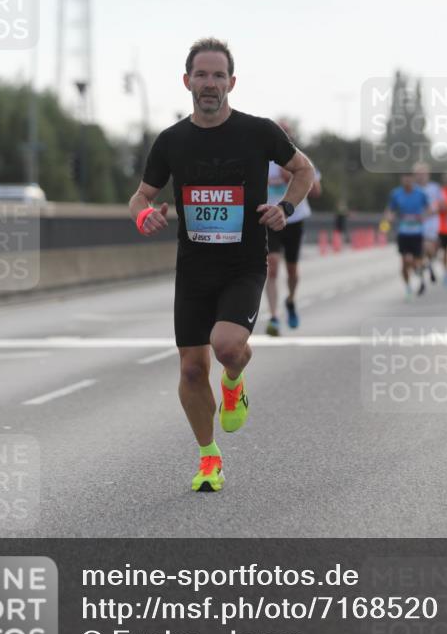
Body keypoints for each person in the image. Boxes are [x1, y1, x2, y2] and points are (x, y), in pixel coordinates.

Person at [128, 38, 315, 492]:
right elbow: (141, 195)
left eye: (218, 76)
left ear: (231, 82)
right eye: (201, 75)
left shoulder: (258, 131)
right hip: (193, 268)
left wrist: (285, 209)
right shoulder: (171, 141)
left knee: (227, 346)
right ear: (187, 80)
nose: (209, 84)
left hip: (243, 263)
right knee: (192, 369)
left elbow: (304, 170)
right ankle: (209, 458)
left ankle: (234, 380)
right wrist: (143, 214)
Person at [265, 124, 322, 336]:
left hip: (294, 218)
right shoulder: (263, 161)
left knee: (291, 270)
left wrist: (291, 177)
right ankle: (273, 317)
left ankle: (290, 300)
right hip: (270, 218)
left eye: (286, 135)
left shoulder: (299, 160)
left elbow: (316, 190)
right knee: (271, 266)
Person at [383, 172, 430, 299]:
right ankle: (408, 288)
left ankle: (420, 274)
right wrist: (389, 217)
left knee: (415, 262)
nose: (407, 181)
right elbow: (390, 209)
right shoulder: (396, 193)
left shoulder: (420, 193)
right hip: (403, 232)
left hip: (417, 232)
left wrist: (423, 217)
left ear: (413, 180)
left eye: (409, 179)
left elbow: (429, 209)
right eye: (405, 179)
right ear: (402, 180)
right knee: (404, 262)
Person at [413, 163, 442, 283]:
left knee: (429, 248)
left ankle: (428, 263)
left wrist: (432, 209)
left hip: (431, 223)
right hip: (416, 223)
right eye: (418, 174)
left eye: (423, 174)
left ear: (428, 175)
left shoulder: (434, 187)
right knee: (419, 248)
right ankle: (424, 266)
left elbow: (440, 203)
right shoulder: (412, 188)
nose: (421, 176)